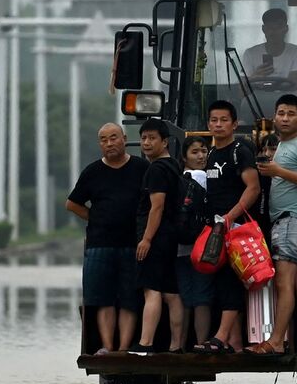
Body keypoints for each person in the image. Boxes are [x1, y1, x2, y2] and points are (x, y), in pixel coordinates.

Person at [245, 94, 297, 355]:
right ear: (274, 117)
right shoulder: (280, 145)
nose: (285, 118)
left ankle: (276, 341)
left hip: (293, 221)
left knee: (283, 283)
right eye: (281, 113)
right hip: (288, 222)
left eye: (291, 114)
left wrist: (279, 172)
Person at [66, 123, 148, 354]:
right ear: (100, 144)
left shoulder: (141, 168)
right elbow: (72, 204)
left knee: (130, 298)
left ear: (124, 138)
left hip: (133, 245)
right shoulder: (92, 172)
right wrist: (96, 217)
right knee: (103, 298)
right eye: (104, 140)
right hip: (99, 245)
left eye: (114, 138)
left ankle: (123, 348)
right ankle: (108, 347)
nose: (109, 143)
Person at [193, 100, 261, 354]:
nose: (218, 125)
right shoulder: (211, 154)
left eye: (223, 120)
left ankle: (221, 337)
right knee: (221, 280)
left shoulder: (240, 151)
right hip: (217, 229)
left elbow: (253, 188)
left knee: (232, 281)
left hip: (236, 228)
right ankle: (233, 341)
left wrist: (229, 217)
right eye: (213, 120)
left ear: (234, 124)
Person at [128, 119, 185, 355]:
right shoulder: (174, 166)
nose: (146, 143)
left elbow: (157, 207)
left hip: (156, 238)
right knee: (171, 293)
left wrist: (146, 239)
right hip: (171, 238)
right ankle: (176, 345)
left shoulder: (156, 169)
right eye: (143, 138)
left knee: (151, 290)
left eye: (152, 138)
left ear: (165, 141)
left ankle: (145, 344)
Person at [175, 136, 213, 349]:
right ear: (184, 157)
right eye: (195, 152)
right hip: (204, 247)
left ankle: (180, 345)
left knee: (184, 297)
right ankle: (201, 344)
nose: (200, 156)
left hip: (180, 247)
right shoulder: (206, 178)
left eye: (204, 151)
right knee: (202, 297)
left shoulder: (176, 179)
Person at [240, 8, 297, 91]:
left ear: (286, 29)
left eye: (278, 27)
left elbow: (293, 86)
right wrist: (255, 76)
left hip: (288, 102)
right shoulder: (250, 54)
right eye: (269, 27)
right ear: (263, 29)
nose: (273, 31)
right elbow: (242, 93)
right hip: (256, 103)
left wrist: (258, 82)